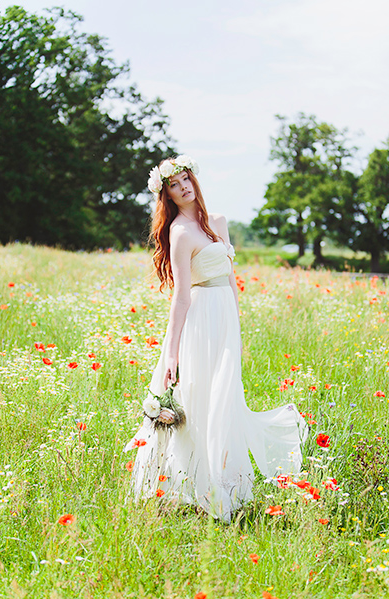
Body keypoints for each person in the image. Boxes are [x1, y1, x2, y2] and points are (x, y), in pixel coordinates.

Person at [125, 156, 307, 521]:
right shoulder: (179, 233)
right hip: (199, 322)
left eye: (185, 179)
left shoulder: (218, 223)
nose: (183, 187)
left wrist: (236, 330)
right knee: (201, 401)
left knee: (227, 399)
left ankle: (225, 483)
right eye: (174, 184)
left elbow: (230, 279)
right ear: (167, 195)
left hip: (223, 319)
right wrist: (172, 353)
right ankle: (191, 486)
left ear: (193, 179)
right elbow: (181, 295)